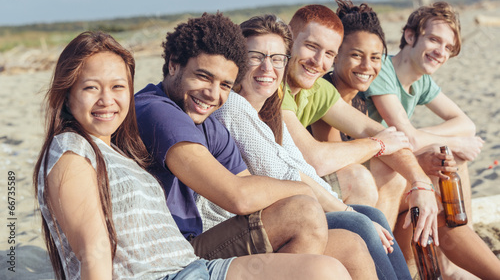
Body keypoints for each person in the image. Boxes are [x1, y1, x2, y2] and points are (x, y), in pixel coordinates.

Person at [32, 31, 351, 280]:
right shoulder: (70, 149)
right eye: (91, 88)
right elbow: (93, 253)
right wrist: (305, 189)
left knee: (331, 266)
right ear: (67, 91)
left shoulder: (114, 149)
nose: (107, 100)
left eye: (118, 87)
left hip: (191, 266)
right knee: (325, 272)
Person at [134, 12, 371, 274]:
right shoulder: (157, 110)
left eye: (225, 84)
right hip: (172, 257)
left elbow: (248, 183)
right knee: (302, 213)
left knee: (350, 244)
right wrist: (302, 190)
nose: (213, 94)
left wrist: (300, 190)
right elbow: (239, 197)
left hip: (198, 241)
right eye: (203, 76)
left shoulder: (207, 121)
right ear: (173, 65)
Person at [213, 14, 412, 279]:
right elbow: (283, 174)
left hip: (276, 213)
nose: (267, 68)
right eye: (256, 56)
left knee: (369, 215)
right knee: (360, 223)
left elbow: (299, 165)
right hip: (235, 227)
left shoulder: (267, 110)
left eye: (276, 59)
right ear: (237, 60)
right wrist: (346, 211)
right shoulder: (233, 106)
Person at [280, 3, 440, 247]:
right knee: (359, 178)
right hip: (273, 194)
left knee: (404, 182)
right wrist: (378, 144)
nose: (318, 61)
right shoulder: (273, 87)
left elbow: (380, 132)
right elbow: (316, 158)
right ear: (288, 41)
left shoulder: (319, 89)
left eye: (328, 54)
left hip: (299, 184)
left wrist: (421, 183)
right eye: (311, 47)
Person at [362, 1, 500, 279]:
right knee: (447, 152)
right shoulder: (383, 71)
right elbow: (406, 137)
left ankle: (460, 248)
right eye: (434, 40)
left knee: (449, 156)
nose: (441, 52)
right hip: (373, 174)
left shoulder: (420, 81)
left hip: (395, 166)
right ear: (411, 36)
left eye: (448, 48)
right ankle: (455, 260)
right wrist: (452, 142)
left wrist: (451, 143)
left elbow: (466, 124)